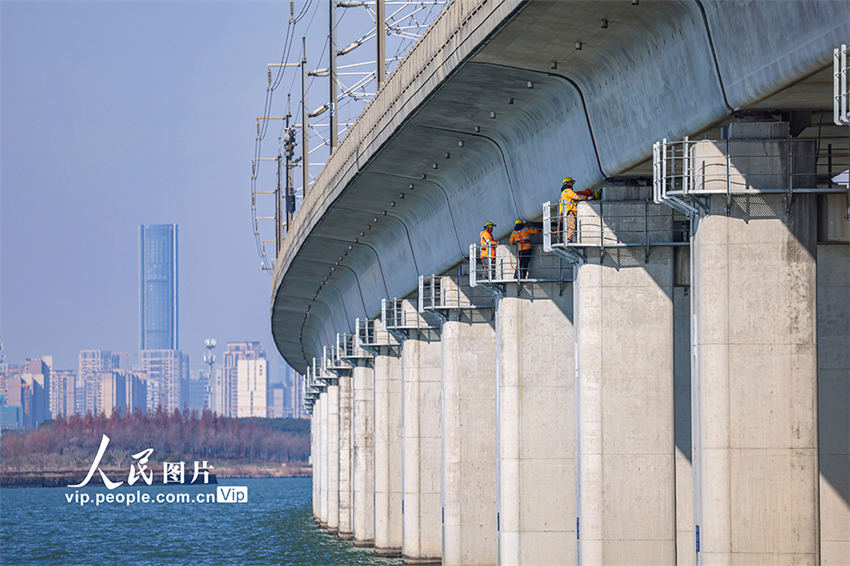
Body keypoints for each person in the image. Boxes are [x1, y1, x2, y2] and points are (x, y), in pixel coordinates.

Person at [558, 177, 599, 242]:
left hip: (567, 211)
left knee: (567, 227)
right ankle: (567, 240)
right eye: (571, 183)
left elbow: (575, 195)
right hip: (570, 211)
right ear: (568, 183)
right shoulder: (568, 191)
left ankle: (565, 239)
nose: (572, 184)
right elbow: (576, 196)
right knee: (571, 226)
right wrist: (587, 198)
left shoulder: (564, 192)